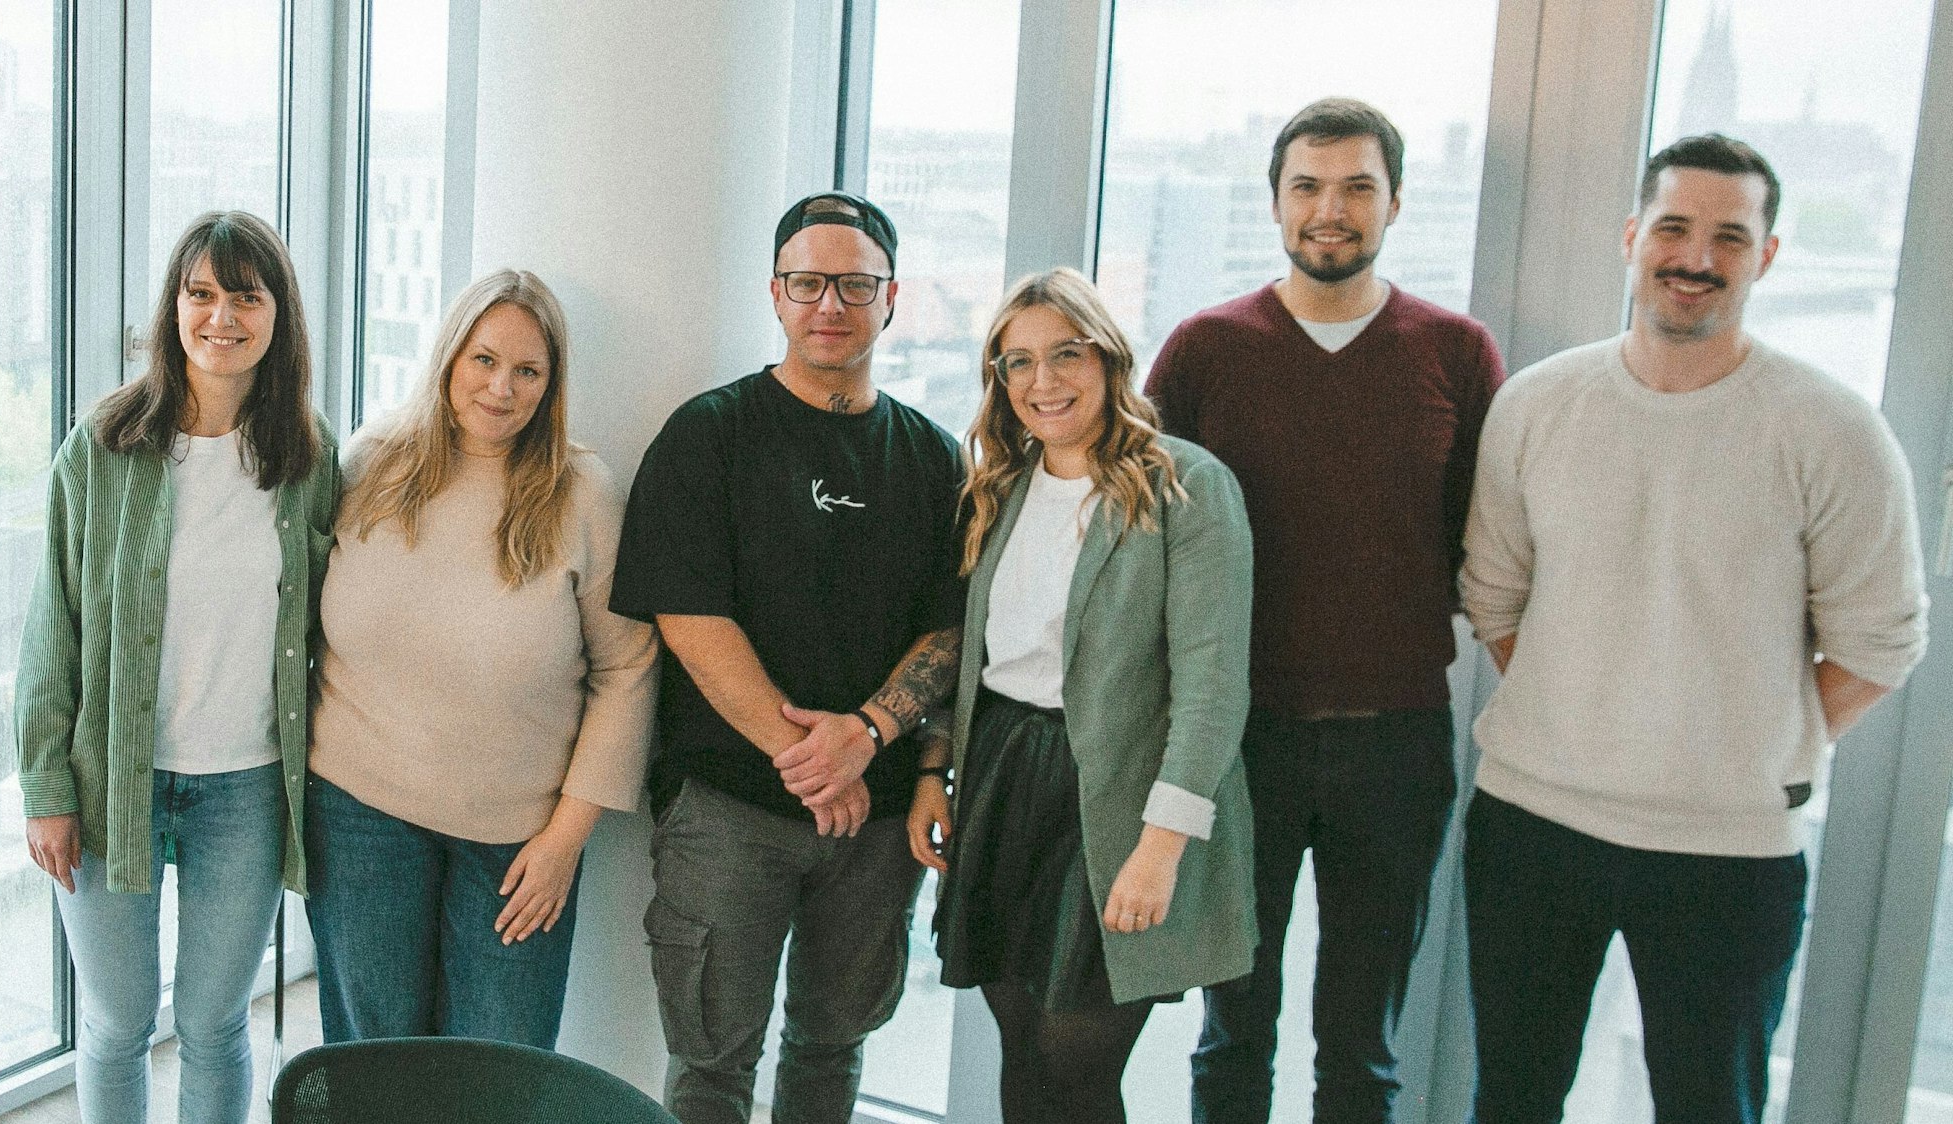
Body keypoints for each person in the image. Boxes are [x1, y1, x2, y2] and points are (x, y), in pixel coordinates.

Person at [1459, 134, 1928, 1123]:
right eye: (1672, 227)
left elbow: (1881, 643)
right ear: (1631, 238)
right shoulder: (1536, 405)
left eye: (1728, 234)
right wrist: (1579, 706)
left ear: (1765, 256)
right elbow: (1494, 599)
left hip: (1731, 849)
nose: (1695, 255)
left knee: (1710, 1106)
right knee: (1511, 1097)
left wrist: (1741, 741)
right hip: (1532, 826)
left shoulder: (1831, 429)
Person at [1146, 97, 1506, 1124]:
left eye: (1356, 186)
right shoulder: (1206, 348)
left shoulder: (1454, 352)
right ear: (1274, 202)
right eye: (1307, 185)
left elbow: (1489, 543)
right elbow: (1139, 540)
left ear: (1396, 201)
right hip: (1235, 741)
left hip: (1394, 745)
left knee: (1362, 1050)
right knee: (1230, 1036)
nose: (1330, 209)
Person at [610, 192, 966, 1124]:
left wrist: (871, 735)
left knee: (831, 1046)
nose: (830, 304)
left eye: (855, 284)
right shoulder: (709, 435)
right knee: (710, 1062)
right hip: (728, 810)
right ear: (775, 294)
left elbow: (952, 628)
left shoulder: (933, 459)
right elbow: (688, 615)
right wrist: (813, 761)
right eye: (808, 283)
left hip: (876, 820)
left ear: (891, 300)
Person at [908, 267, 1257, 1123]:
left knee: (1077, 1064)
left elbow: (1212, 685)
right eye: (1017, 363)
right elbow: (973, 659)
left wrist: (1161, 846)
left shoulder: (1185, 485)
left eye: (1065, 354)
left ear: (1107, 358)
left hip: (1118, 799)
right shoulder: (1000, 489)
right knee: (1018, 1048)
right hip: (1003, 777)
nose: (1043, 382)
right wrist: (933, 771)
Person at [16, 210, 338, 1124]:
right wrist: (46, 786)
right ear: (174, 307)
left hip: (244, 787)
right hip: (110, 778)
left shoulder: (306, 455)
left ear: (278, 315)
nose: (221, 316)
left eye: (246, 295)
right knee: (117, 1022)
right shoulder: (104, 446)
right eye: (201, 293)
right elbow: (53, 626)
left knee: (212, 1020)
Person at [304, 268, 659, 1048]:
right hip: (358, 810)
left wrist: (565, 841)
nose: (501, 388)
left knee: (498, 1065)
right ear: (449, 358)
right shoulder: (370, 463)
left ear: (550, 383)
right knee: (374, 1056)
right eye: (484, 360)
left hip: (517, 839)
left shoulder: (582, 493)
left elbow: (627, 668)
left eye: (527, 370)